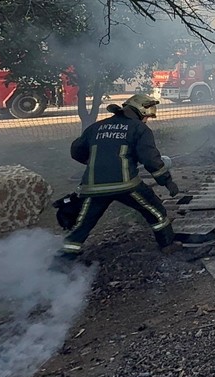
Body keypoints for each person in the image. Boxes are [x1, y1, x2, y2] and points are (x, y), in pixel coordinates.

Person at [59, 93, 180, 258]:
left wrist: (96, 163)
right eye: (147, 117)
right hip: (126, 185)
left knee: (82, 225)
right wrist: (167, 182)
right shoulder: (139, 128)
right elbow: (151, 160)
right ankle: (167, 245)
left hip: (93, 186)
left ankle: (64, 261)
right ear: (140, 111)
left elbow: (76, 151)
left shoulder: (96, 127)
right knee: (155, 211)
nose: (146, 120)